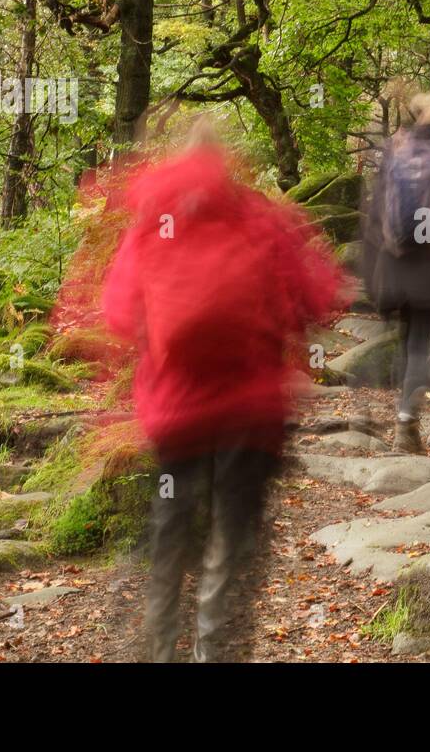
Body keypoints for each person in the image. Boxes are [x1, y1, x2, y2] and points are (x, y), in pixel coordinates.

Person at [102, 127, 343, 662]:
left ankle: (159, 651)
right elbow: (320, 295)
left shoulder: (150, 226)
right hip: (250, 415)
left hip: (175, 413)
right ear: (227, 166)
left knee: (169, 532)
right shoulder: (259, 218)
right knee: (233, 541)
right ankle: (215, 652)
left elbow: (117, 312)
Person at [361, 91, 430, 454]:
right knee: (419, 345)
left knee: (402, 341)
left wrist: (371, 270)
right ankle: (406, 423)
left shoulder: (394, 154)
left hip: (392, 263)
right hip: (429, 266)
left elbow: (374, 214)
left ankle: (383, 416)